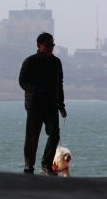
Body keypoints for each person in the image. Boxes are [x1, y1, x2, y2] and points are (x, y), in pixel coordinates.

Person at [19, 32, 67, 176]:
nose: (50, 47)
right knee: (32, 137)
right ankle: (29, 166)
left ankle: (46, 164)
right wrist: (37, 91)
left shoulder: (56, 62)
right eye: (47, 45)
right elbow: (22, 81)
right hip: (34, 105)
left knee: (54, 134)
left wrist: (61, 105)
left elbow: (59, 85)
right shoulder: (30, 62)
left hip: (52, 106)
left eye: (52, 45)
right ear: (38, 45)